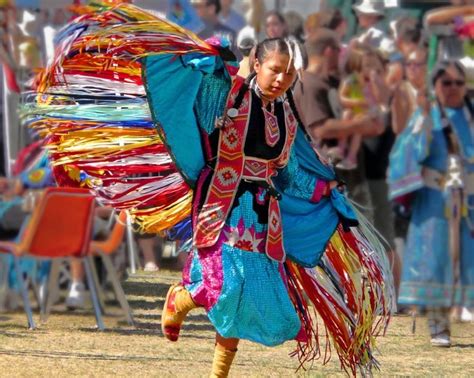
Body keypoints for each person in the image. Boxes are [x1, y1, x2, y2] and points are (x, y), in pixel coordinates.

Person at [28, 4, 393, 376]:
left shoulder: (284, 117)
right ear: (257, 65)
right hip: (223, 208)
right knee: (227, 286)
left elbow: (289, 172)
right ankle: (180, 299)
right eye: (274, 70)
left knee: (247, 305)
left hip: (264, 219)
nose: (281, 79)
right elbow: (201, 107)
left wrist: (324, 188)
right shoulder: (229, 97)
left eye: (288, 73)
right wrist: (213, 59)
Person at [388, 60, 474, 346]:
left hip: (470, 201)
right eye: (445, 83)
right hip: (437, 201)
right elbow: (407, 155)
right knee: (436, 259)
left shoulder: (471, 116)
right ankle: (439, 323)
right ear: (436, 86)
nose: (452, 88)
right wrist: (424, 123)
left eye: (458, 83)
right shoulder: (427, 117)